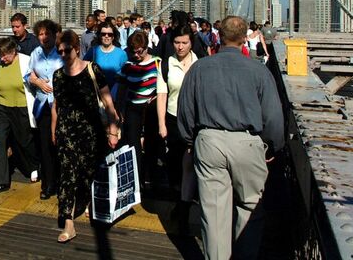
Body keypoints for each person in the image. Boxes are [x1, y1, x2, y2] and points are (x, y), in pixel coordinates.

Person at [178, 16, 285, 260]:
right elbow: (274, 117)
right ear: (245, 37)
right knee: (250, 208)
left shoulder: (200, 68)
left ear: (220, 37)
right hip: (248, 143)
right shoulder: (259, 71)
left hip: (209, 142)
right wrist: (271, 148)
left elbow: (185, 112)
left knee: (214, 215)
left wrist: (190, 141)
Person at [50, 30, 120, 243]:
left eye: (67, 50)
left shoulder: (92, 69)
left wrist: (113, 130)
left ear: (77, 49)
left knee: (88, 171)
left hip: (90, 132)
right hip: (65, 132)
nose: (63, 54)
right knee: (67, 175)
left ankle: (90, 200)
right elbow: (56, 105)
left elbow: (107, 101)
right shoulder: (58, 75)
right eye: (59, 51)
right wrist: (54, 130)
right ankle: (68, 223)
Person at [156, 25, 198, 234]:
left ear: (191, 43)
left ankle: (184, 209)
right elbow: (162, 94)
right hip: (173, 120)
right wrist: (162, 124)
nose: (180, 47)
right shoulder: (166, 64)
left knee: (191, 166)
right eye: (177, 43)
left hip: (195, 123)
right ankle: (179, 203)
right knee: (174, 166)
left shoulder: (200, 64)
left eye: (184, 43)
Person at [0, 37, 39, 194]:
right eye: (0, 56)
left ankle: (33, 166)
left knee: (24, 140)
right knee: (0, 142)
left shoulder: (27, 61)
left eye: (5, 55)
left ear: (13, 51)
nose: (2, 59)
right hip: (2, 107)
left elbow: (34, 82)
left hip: (21, 107)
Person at [28, 19, 63, 200]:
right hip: (43, 105)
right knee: (45, 145)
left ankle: (62, 182)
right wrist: (37, 81)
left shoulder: (62, 52)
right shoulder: (36, 53)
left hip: (61, 105)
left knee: (60, 144)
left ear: (54, 34)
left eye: (47, 33)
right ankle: (48, 184)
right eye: (40, 34)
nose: (44, 37)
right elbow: (28, 74)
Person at [120, 30, 161, 183]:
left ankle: (152, 177)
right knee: (133, 144)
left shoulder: (157, 62)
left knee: (152, 143)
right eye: (133, 52)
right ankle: (137, 178)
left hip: (150, 109)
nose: (136, 55)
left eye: (139, 51)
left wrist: (156, 97)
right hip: (132, 108)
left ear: (146, 47)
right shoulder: (128, 65)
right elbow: (122, 87)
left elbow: (163, 88)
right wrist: (119, 109)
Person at [83, 20, 127, 101]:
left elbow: (125, 75)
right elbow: (82, 68)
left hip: (114, 96)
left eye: (110, 34)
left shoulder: (122, 54)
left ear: (113, 36)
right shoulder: (93, 51)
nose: (106, 36)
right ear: (100, 35)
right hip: (96, 96)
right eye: (103, 34)